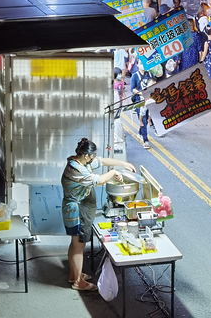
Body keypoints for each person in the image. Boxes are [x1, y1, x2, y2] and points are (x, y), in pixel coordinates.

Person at [61, 138, 134, 292]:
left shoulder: (79, 161)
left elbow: (102, 161)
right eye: (92, 156)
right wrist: (113, 172)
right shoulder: (76, 170)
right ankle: (78, 282)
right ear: (86, 155)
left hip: (74, 208)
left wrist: (122, 164)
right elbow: (99, 180)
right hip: (77, 211)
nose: (94, 158)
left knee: (75, 244)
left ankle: (74, 275)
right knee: (79, 246)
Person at [130, 68, 153, 149]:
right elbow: (132, 89)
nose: (142, 65)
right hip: (139, 101)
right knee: (143, 119)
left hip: (149, 100)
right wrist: (142, 93)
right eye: (140, 63)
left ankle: (140, 133)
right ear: (137, 65)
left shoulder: (150, 74)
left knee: (146, 119)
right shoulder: (135, 76)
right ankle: (145, 140)